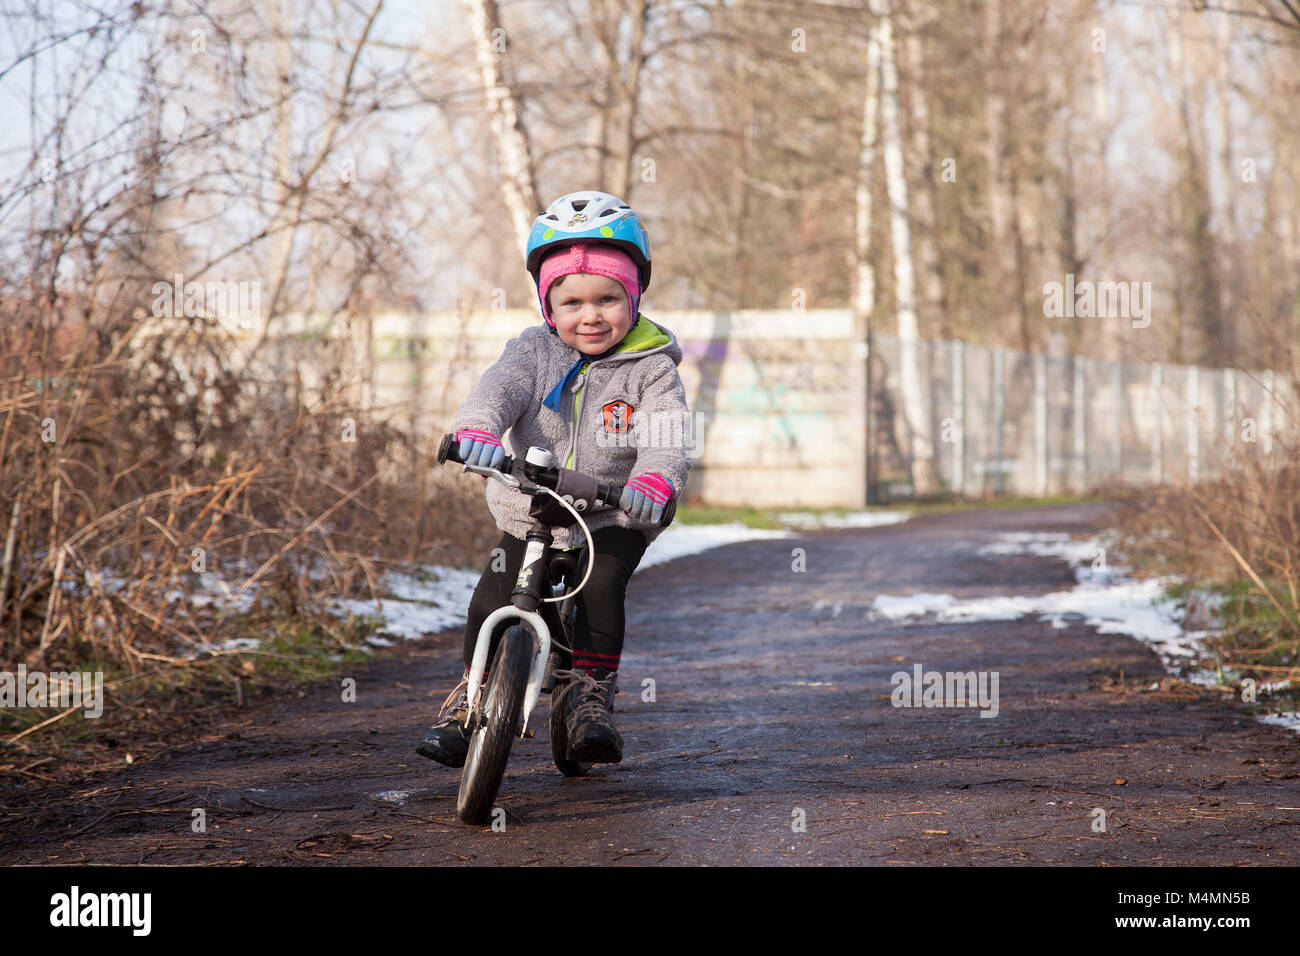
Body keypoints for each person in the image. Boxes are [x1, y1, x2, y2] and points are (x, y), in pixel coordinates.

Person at [417, 190, 691, 767]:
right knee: (494, 594)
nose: (590, 315)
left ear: (634, 297)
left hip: (613, 512)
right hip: (531, 503)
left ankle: (589, 698)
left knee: (602, 585)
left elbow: (666, 441)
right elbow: (498, 392)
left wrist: (654, 485)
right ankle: (468, 707)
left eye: (608, 299)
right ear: (548, 306)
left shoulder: (654, 370)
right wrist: (478, 433)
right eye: (571, 302)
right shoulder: (532, 352)